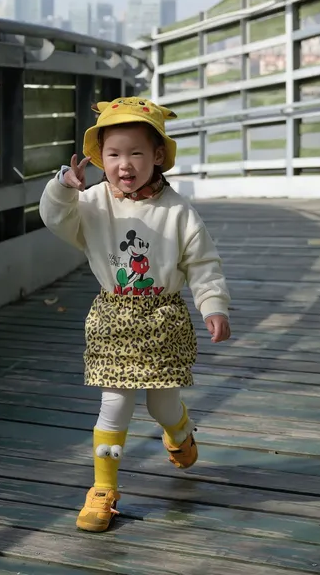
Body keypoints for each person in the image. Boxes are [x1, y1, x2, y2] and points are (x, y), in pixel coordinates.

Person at [39, 96, 231, 533]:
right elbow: (55, 218)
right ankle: (103, 488)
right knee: (115, 403)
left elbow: (202, 263)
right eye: (112, 154)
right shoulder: (91, 203)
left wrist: (213, 305)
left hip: (163, 319)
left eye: (136, 153)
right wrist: (63, 187)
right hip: (113, 319)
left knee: (162, 403)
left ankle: (179, 431)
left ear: (158, 156)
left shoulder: (178, 211)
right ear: (99, 158)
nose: (124, 164)